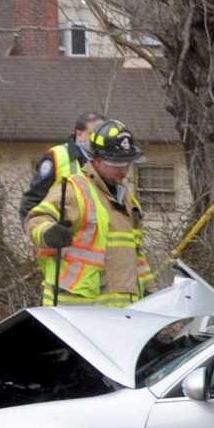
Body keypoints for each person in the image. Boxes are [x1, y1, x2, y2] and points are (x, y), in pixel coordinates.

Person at [24, 119, 155, 306]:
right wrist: (48, 233)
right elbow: (37, 219)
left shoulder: (127, 200)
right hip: (76, 310)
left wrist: (150, 292)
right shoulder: (75, 189)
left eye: (127, 163)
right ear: (97, 160)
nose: (123, 169)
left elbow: (136, 254)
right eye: (116, 163)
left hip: (120, 312)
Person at [19, 111, 106, 219]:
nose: (98, 140)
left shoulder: (109, 160)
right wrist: (40, 227)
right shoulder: (57, 156)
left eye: (102, 135)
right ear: (79, 134)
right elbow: (32, 200)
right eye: (93, 134)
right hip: (63, 227)